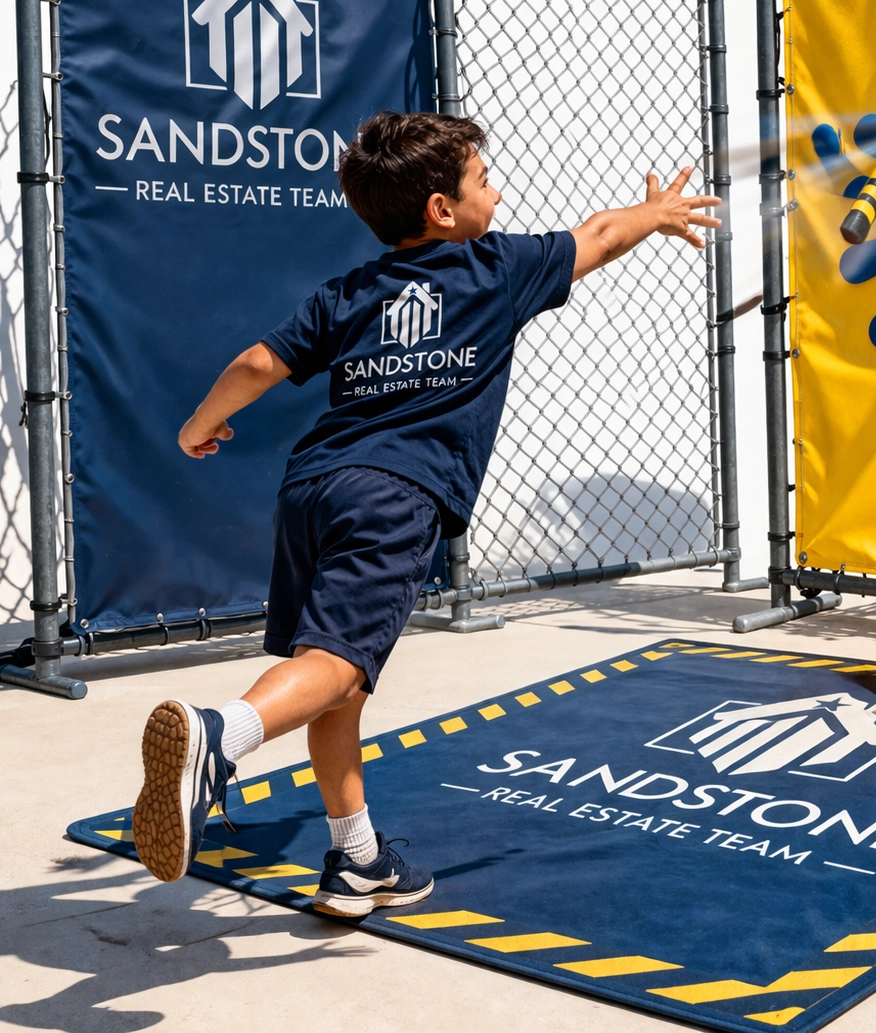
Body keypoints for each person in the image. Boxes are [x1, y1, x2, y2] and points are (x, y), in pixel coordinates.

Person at [130, 110, 719, 917]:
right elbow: (598, 236)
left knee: (336, 685)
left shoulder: (351, 290)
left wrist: (199, 424)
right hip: (393, 495)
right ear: (442, 210)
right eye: (483, 180)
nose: (496, 190)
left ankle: (357, 859)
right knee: (335, 666)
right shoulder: (493, 268)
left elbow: (257, 361)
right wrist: (653, 216)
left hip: (312, 489)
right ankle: (219, 737)